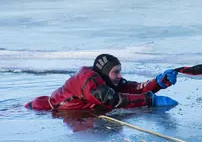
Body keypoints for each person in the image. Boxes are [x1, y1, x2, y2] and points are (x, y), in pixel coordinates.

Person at [25, 54, 179, 111]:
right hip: (41, 108)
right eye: (116, 72)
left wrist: (158, 82)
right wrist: (149, 99)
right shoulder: (88, 80)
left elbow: (130, 88)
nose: (119, 76)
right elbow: (111, 99)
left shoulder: (104, 79)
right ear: (105, 72)